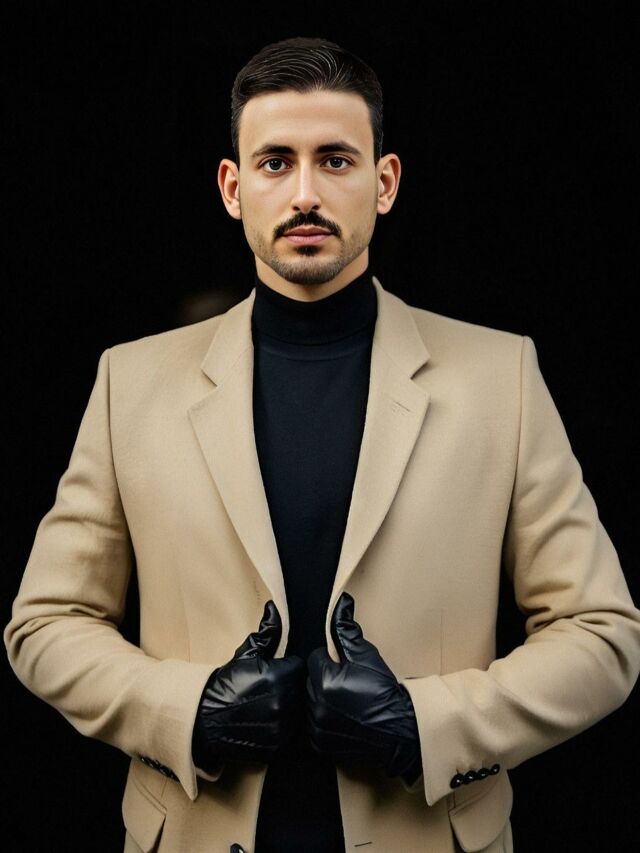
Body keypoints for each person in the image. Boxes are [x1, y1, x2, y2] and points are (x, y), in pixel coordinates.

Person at [4, 35, 640, 853]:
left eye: (336, 160)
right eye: (276, 162)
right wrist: (187, 711)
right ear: (233, 187)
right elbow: (46, 621)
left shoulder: (501, 379)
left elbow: (601, 633)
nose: (305, 192)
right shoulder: (132, 382)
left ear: (385, 182)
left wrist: (423, 724)